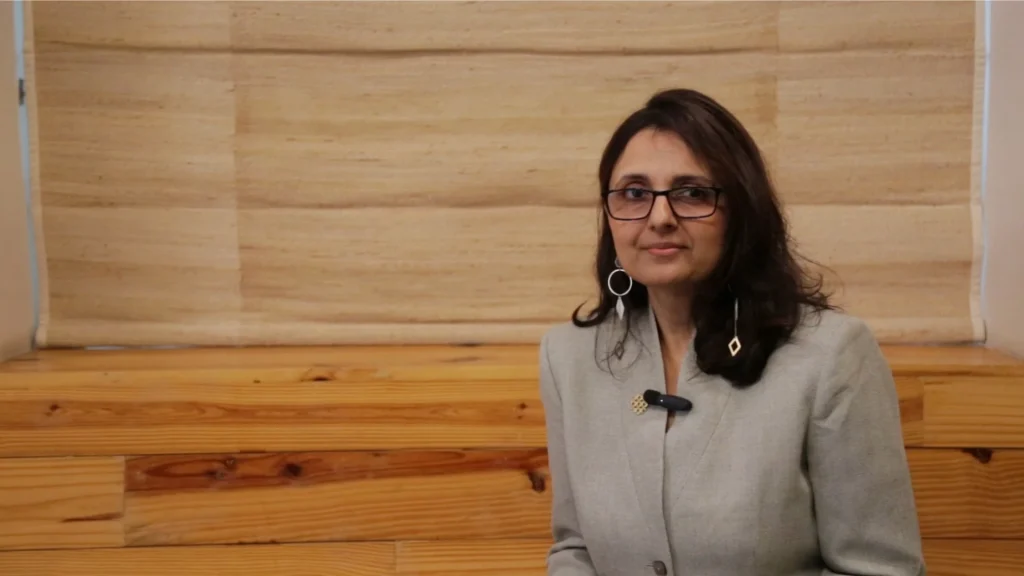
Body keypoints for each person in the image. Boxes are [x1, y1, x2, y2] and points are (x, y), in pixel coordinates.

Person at [538, 88, 924, 576]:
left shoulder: (831, 355)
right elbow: (575, 549)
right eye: (634, 193)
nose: (660, 218)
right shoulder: (568, 358)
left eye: (692, 192)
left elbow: (879, 570)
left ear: (740, 212)